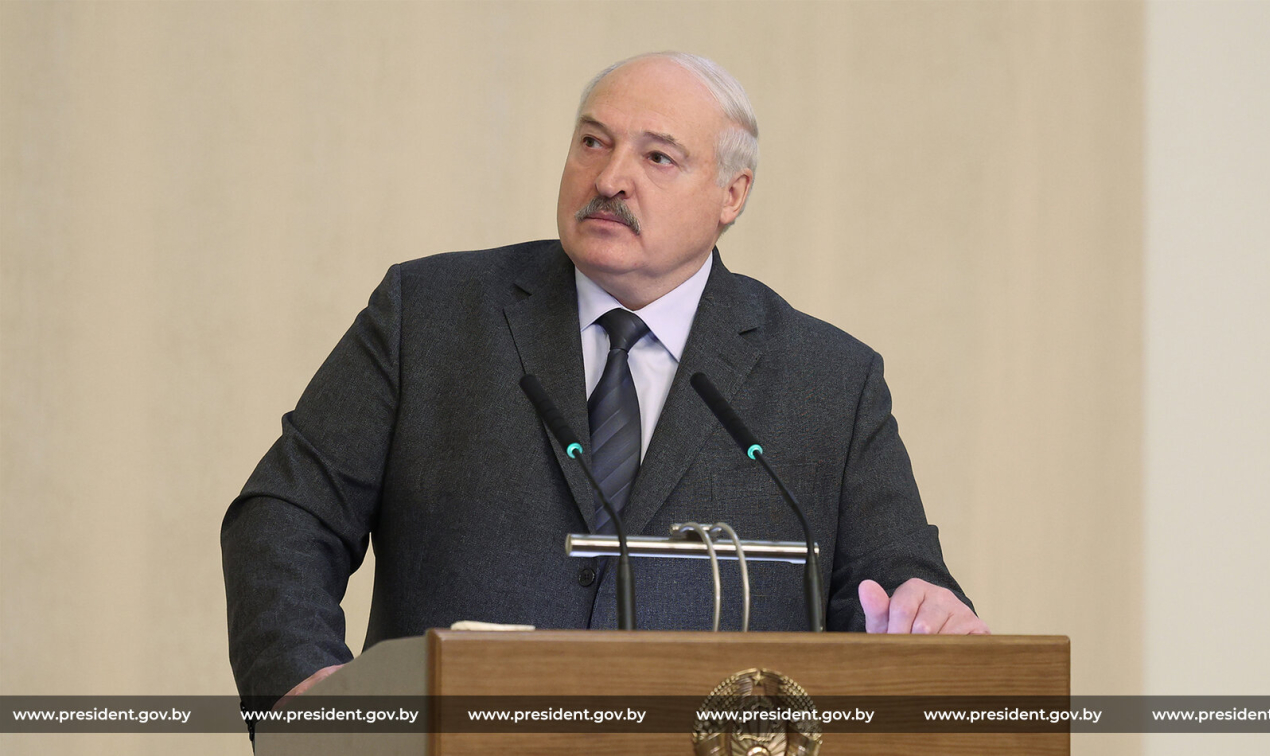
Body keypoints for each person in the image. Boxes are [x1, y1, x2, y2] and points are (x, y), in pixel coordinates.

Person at [222, 51, 987, 712]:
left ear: (731, 195)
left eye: (657, 158)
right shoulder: (429, 315)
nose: (610, 177)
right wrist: (304, 692)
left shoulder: (828, 380)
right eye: (593, 142)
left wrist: (926, 612)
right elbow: (286, 513)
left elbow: (896, 582)